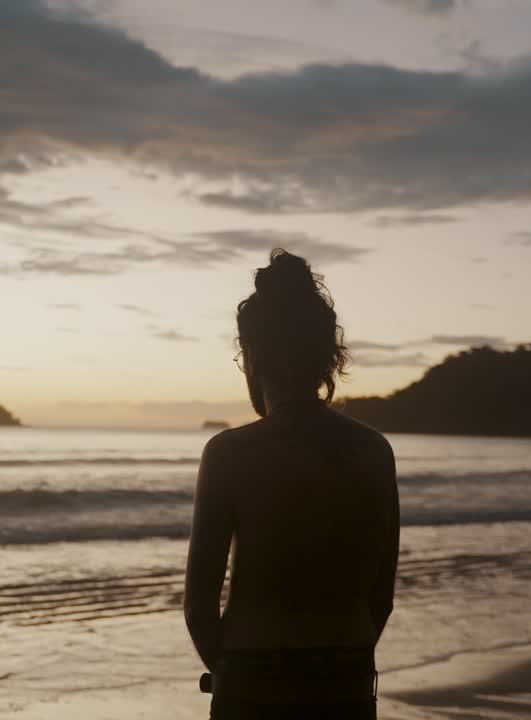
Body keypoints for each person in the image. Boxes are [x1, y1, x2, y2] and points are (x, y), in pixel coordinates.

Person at [185, 249, 399, 719]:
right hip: (348, 682)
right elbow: (380, 598)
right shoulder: (374, 451)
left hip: (252, 682)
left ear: (252, 356)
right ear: (326, 355)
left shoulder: (229, 453)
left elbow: (199, 603)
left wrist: (230, 674)